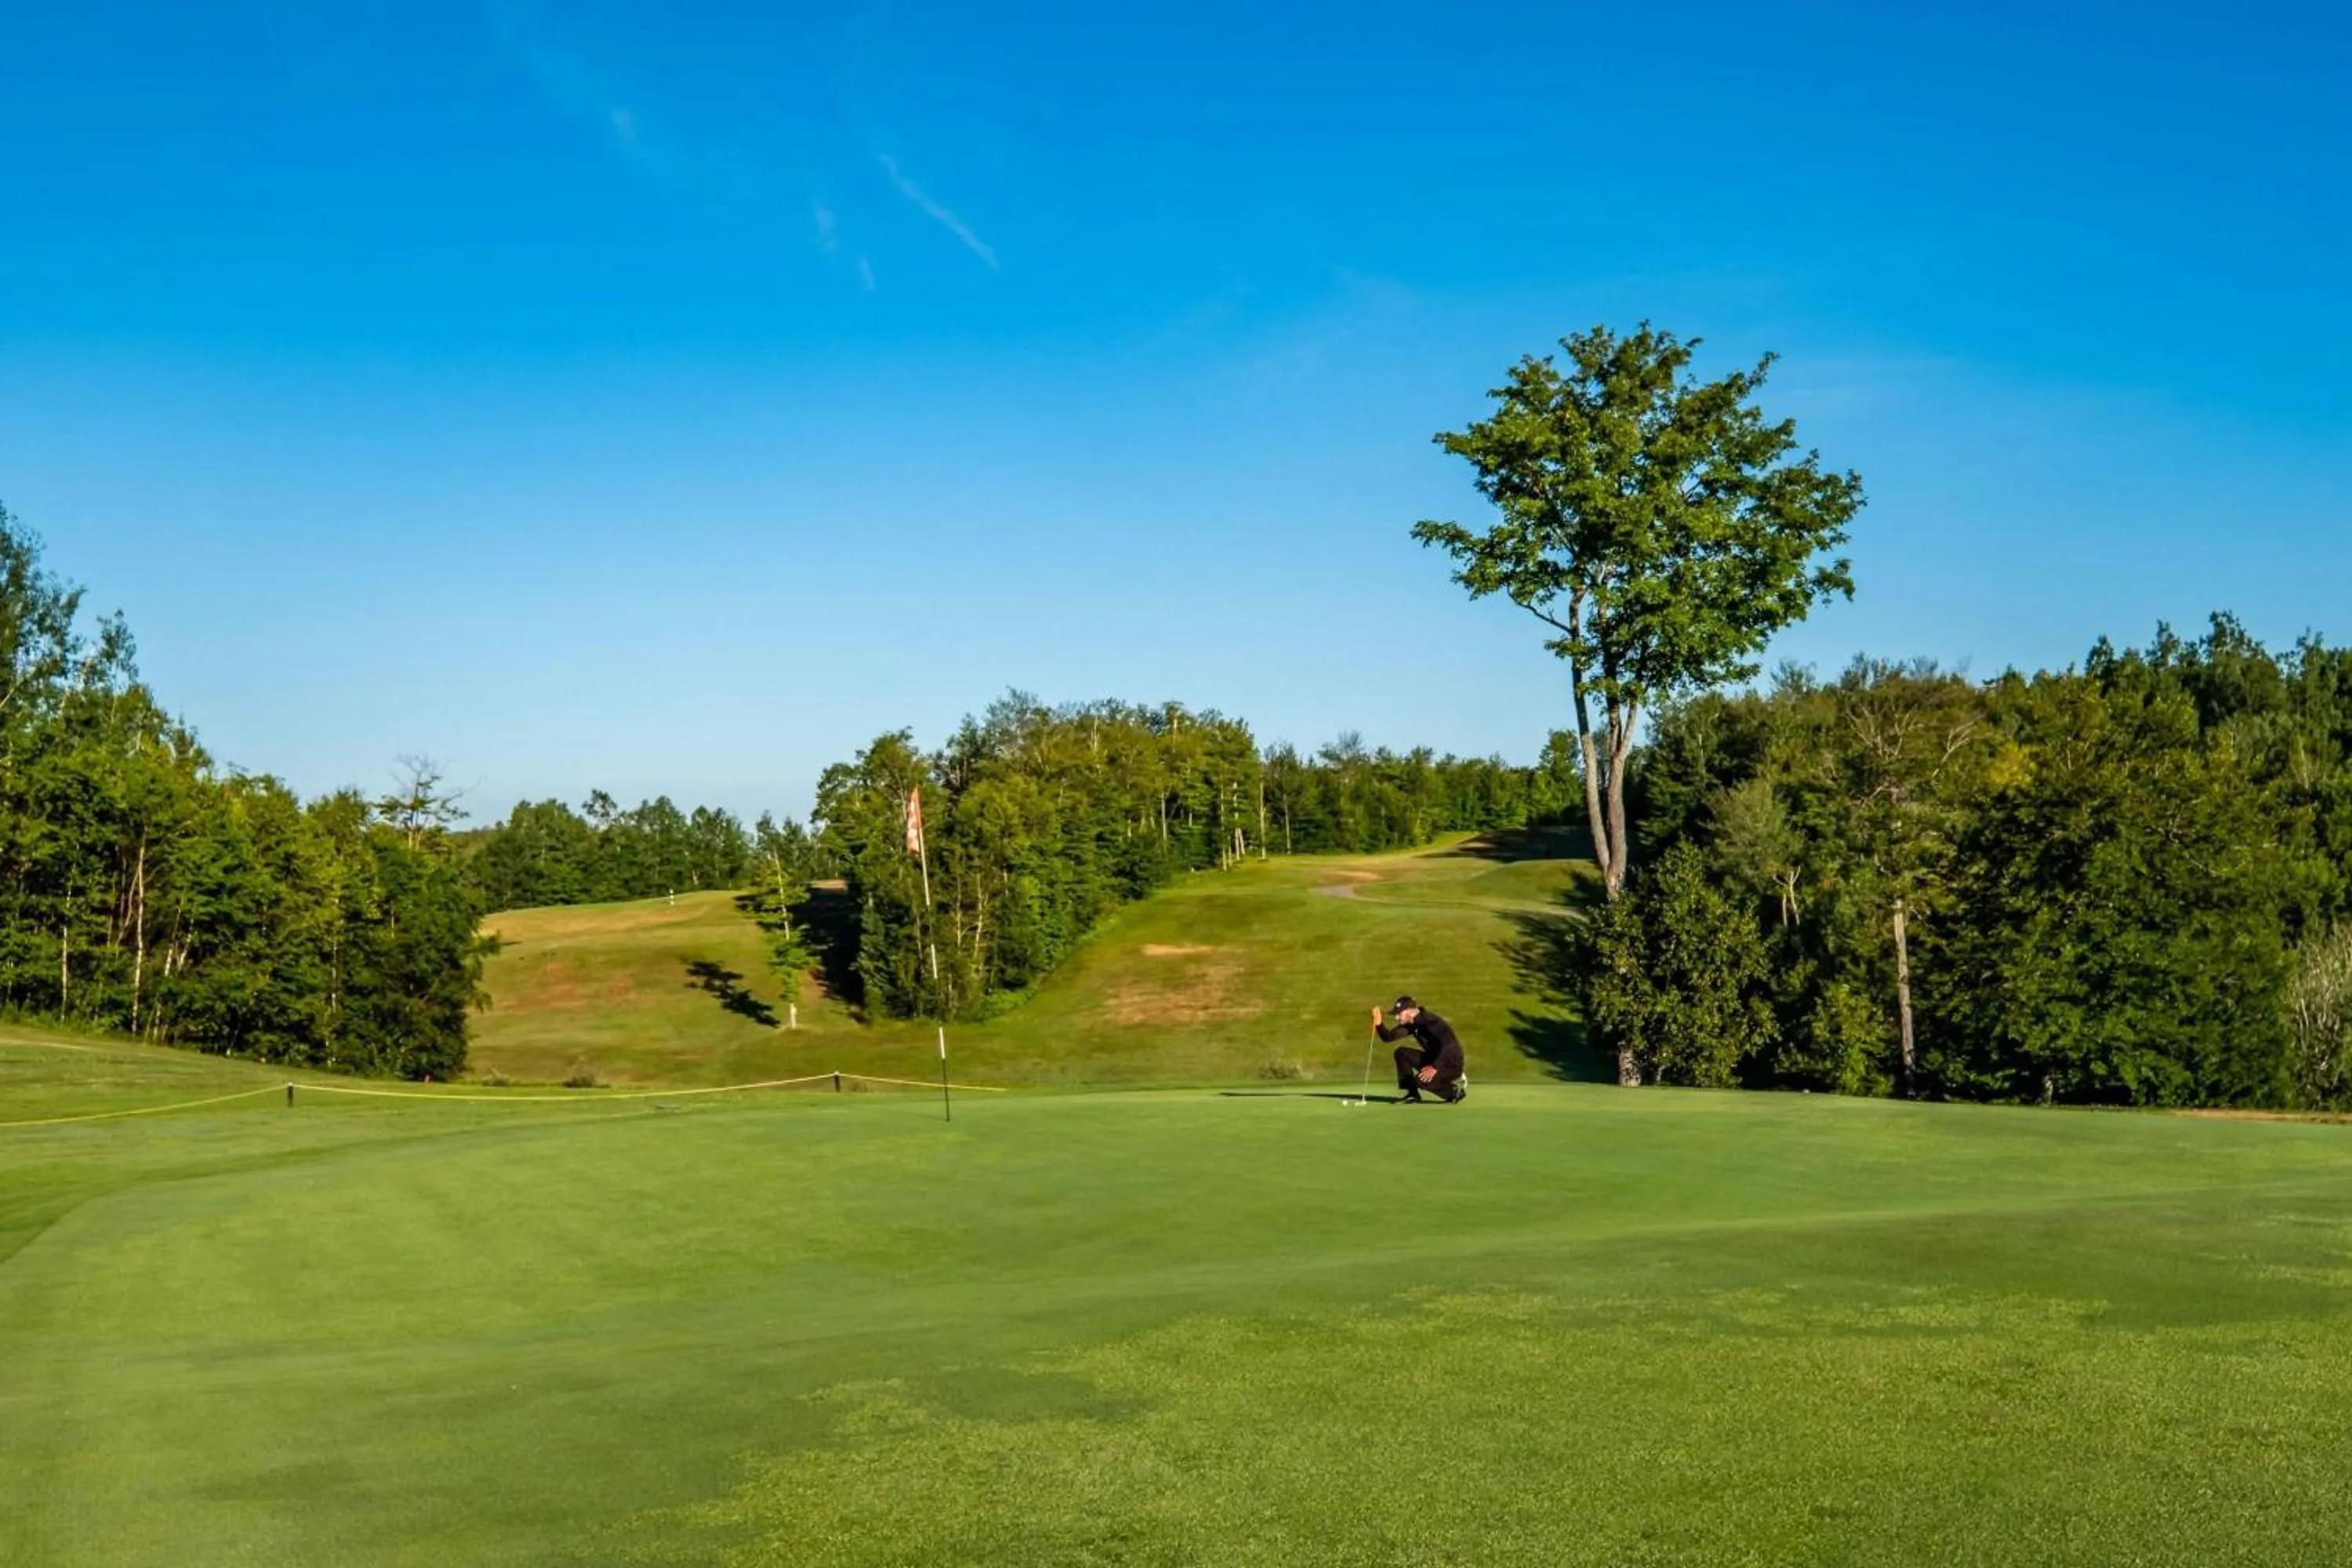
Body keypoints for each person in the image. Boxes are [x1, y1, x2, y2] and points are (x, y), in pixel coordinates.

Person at [1374, 996, 1467, 1104]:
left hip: (1450, 1063)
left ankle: (1454, 1092)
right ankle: (1412, 1094)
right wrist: (1378, 1023)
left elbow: (1449, 1046)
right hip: (1433, 1060)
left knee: (1421, 1081)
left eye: (1399, 1014)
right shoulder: (1412, 1024)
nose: (1397, 1018)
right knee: (1401, 1053)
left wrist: (1434, 1067)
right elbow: (1389, 1037)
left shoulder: (1431, 1022)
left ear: (1409, 1011)